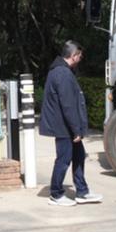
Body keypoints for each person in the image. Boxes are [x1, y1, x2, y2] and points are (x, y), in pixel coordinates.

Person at [39, 40, 103, 206]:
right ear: (74, 56)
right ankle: (56, 194)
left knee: (79, 156)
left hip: (66, 126)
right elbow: (68, 105)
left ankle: (82, 191)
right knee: (64, 159)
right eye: (80, 56)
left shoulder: (61, 71)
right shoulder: (63, 74)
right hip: (64, 127)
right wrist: (76, 130)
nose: (80, 59)